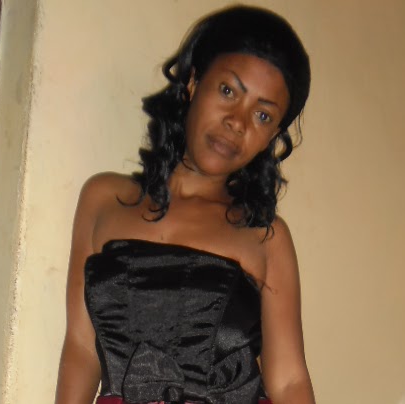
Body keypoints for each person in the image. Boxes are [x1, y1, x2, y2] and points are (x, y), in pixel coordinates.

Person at [56, 5, 314, 403]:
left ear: (272, 136)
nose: (237, 122)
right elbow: (80, 348)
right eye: (228, 91)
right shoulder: (103, 199)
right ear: (194, 82)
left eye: (263, 115)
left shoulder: (266, 236)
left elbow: (289, 382)